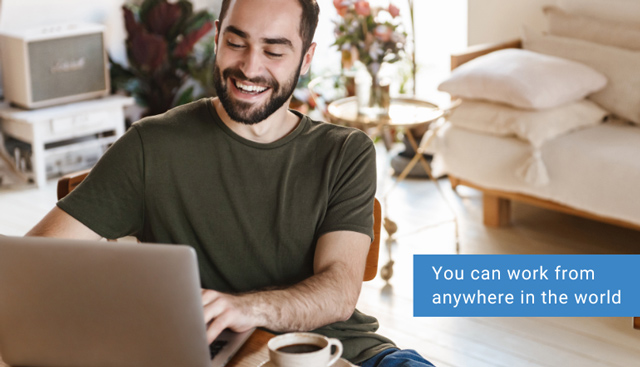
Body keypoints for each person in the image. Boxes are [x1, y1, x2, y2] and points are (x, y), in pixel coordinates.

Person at [27, 0, 434, 365]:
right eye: (236, 43)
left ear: (306, 58)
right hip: (215, 355)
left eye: (274, 51)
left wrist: (247, 309)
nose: (250, 68)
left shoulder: (346, 152)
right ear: (218, 36)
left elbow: (340, 291)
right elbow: (33, 263)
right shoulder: (151, 146)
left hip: (350, 354)